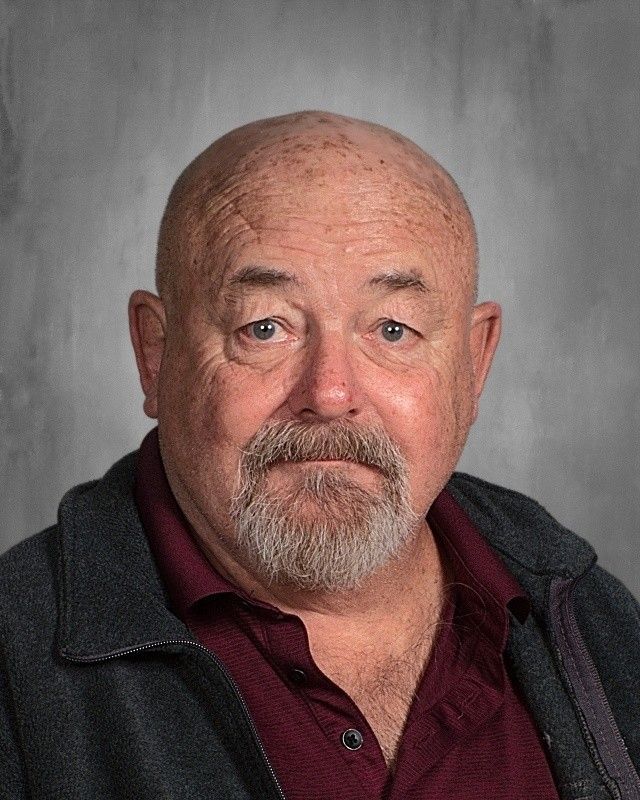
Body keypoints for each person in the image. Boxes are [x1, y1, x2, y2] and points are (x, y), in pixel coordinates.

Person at [0, 111, 638, 800]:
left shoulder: (593, 620)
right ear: (155, 353)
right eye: (265, 327)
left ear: (474, 363)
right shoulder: (15, 664)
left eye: (393, 330)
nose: (330, 394)